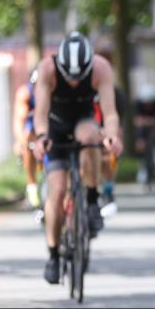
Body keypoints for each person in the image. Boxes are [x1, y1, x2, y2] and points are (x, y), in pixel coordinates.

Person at [30, 31, 123, 285]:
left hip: (83, 121)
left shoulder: (101, 68)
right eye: (68, 77)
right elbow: (40, 114)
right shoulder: (47, 69)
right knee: (57, 190)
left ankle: (92, 200)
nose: (72, 82)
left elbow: (110, 114)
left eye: (78, 77)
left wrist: (112, 136)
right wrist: (41, 137)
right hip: (56, 125)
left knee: (91, 135)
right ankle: (53, 255)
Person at [94, 84, 129, 206]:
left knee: (109, 154)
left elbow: (119, 124)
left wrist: (111, 136)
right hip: (89, 128)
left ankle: (108, 187)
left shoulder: (117, 94)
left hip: (108, 128)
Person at [12, 69, 41, 207]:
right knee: (27, 142)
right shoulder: (25, 94)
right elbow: (19, 120)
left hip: (50, 125)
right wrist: (20, 141)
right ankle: (32, 185)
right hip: (32, 127)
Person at [134, 84, 155, 185]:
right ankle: (142, 168)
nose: (148, 105)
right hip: (142, 129)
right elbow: (137, 121)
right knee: (141, 144)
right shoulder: (138, 104)